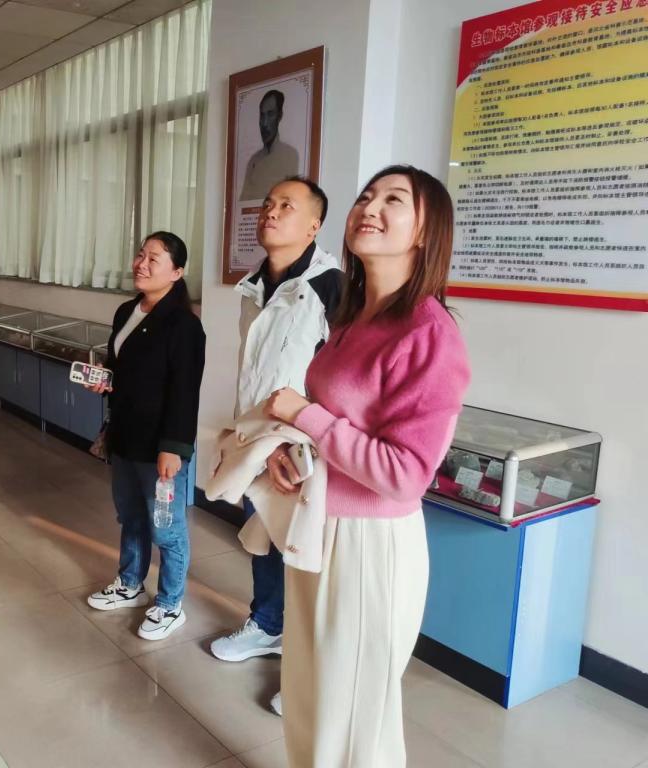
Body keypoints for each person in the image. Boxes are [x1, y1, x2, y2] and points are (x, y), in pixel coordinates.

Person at [263, 166, 470, 767]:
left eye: (394, 200)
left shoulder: (429, 334)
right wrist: (287, 450)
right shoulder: (353, 319)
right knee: (310, 696)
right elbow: (332, 423)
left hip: (368, 546)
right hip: (318, 525)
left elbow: (406, 474)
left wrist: (305, 417)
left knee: (351, 718)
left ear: (426, 232)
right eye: (366, 196)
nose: (370, 208)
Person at [210, 177, 341, 717]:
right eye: (268, 203)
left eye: (287, 205)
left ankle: (311, 668)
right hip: (257, 440)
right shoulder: (254, 286)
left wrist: (301, 441)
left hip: (303, 447)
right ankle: (267, 625)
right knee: (263, 539)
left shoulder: (330, 287)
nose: (271, 211)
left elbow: (337, 379)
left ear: (313, 225)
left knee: (306, 555)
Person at [85, 232, 206, 642]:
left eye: (154, 258)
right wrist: (106, 380)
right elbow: (122, 368)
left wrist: (174, 448)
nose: (141, 263)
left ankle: (170, 604)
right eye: (140, 255)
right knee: (131, 516)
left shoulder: (184, 325)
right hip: (125, 435)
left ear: (177, 272)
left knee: (166, 528)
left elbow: (185, 393)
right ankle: (130, 583)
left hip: (160, 446)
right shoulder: (127, 311)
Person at [240, 90, 301, 202]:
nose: (264, 123)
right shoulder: (254, 160)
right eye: (262, 115)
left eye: (270, 114)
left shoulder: (290, 155)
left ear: (279, 116)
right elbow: (243, 201)